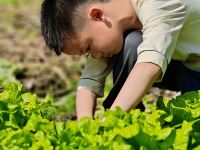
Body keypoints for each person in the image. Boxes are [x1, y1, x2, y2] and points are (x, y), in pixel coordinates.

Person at [41, 0, 200, 120]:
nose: (94, 56)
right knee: (131, 43)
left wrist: (111, 121)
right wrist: (85, 126)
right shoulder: (116, 19)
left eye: (88, 48)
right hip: (187, 67)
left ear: (97, 15)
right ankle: (131, 121)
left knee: (133, 45)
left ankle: (120, 121)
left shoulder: (158, 3)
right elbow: (89, 81)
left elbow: (150, 66)